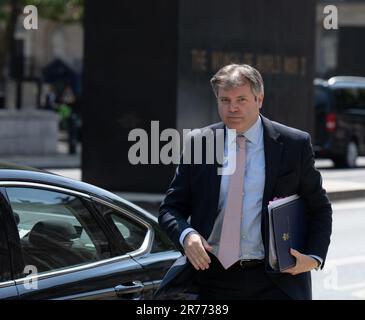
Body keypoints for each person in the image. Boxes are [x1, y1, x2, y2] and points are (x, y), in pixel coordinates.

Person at [156, 64, 332, 300]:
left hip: (276, 281)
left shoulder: (294, 145)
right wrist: (187, 235)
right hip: (213, 278)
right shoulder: (200, 143)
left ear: (259, 99)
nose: (233, 108)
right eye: (225, 100)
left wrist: (314, 256)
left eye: (241, 99)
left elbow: (319, 208)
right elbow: (170, 208)